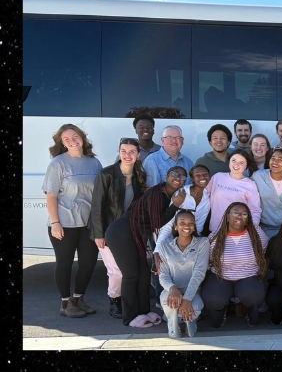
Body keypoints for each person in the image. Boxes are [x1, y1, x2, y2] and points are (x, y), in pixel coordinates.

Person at [106, 166, 184, 326]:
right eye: (175, 174)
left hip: (134, 234)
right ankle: (130, 318)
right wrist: (175, 206)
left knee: (143, 275)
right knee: (131, 275)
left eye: (183, 177)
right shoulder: (157, 194)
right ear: (167, 176)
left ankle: (144, 313)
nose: (178, 178)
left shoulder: (167, 195)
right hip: (121, 232)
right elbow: (157, 222)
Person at [44, 124, 103, 318]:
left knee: (88, 263)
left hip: (88, 224)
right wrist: (55, 223)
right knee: (64, 263)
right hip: (64, 223)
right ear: (62, 143)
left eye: (75, 136)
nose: (72, 141)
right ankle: (65, 304)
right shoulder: (57, 163)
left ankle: (78, 299)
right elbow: (51, 195)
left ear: (82, 137)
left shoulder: (94, 163)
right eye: (66, 139)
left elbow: (100, 193)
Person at [90, 137, 147, 318]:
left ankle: (128, 301)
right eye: (124, 151)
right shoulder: (106, 174)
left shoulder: (139, 176)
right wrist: (99, 234)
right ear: (119, 152)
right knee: (116, 271)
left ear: (138, 155)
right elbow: (97, 206)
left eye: (132, 152)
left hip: (129, 232)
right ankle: (115, 300)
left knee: (129, 269)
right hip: (108, 231)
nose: (127, 155)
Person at [202, 202, 270, 328]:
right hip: (221, 276)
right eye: (235, 213)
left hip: (249, 275)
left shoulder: (257, 234)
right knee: (213, 300)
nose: (239, 216)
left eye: (244, 214)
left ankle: (251, 312)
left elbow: (265, 253)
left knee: (253, 296)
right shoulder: (215, 236)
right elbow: (209, 261)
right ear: (227, 216)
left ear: (248, 219)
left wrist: (261, 271)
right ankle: (220, 313)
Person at [157, 210, 210, 337]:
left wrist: (186, 299)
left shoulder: (202, 243)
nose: (187, 226)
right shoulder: (164, 246)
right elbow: (163, 275)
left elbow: (199, 273)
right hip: (171, 290)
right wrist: (172, 288)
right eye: (182, 223)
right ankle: (173, 324)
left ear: (194, 227)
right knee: (170, 303)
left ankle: (189, 321)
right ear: (175, 226)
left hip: (192, 290)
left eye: (191, 223)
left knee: (195, 306)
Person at [154, 165, 212, 252]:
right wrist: (157, 249)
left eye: (205, 174)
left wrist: (193, 246)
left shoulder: (207, 199)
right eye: (197, 175)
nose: (202, 177)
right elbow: (168, 225)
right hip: (169, 239)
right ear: (192, 179)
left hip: (188, 240)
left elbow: (198, 226)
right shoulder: (181, 194)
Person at [204, 150, 261, 235]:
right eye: (234, 160)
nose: (236, 164)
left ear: (246, 166)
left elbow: (254, 209)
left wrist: (252, 226)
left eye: (241, 162)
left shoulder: (250, 184)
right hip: (215, 229)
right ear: (229, 161)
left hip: (237, 231)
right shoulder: (217, 177)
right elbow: (204, 196)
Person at [250, 147, 282, 238]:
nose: (275, 162)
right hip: (265, 228)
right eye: (273, 158)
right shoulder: (258, 176)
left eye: (280, 160)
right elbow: (249, 196)